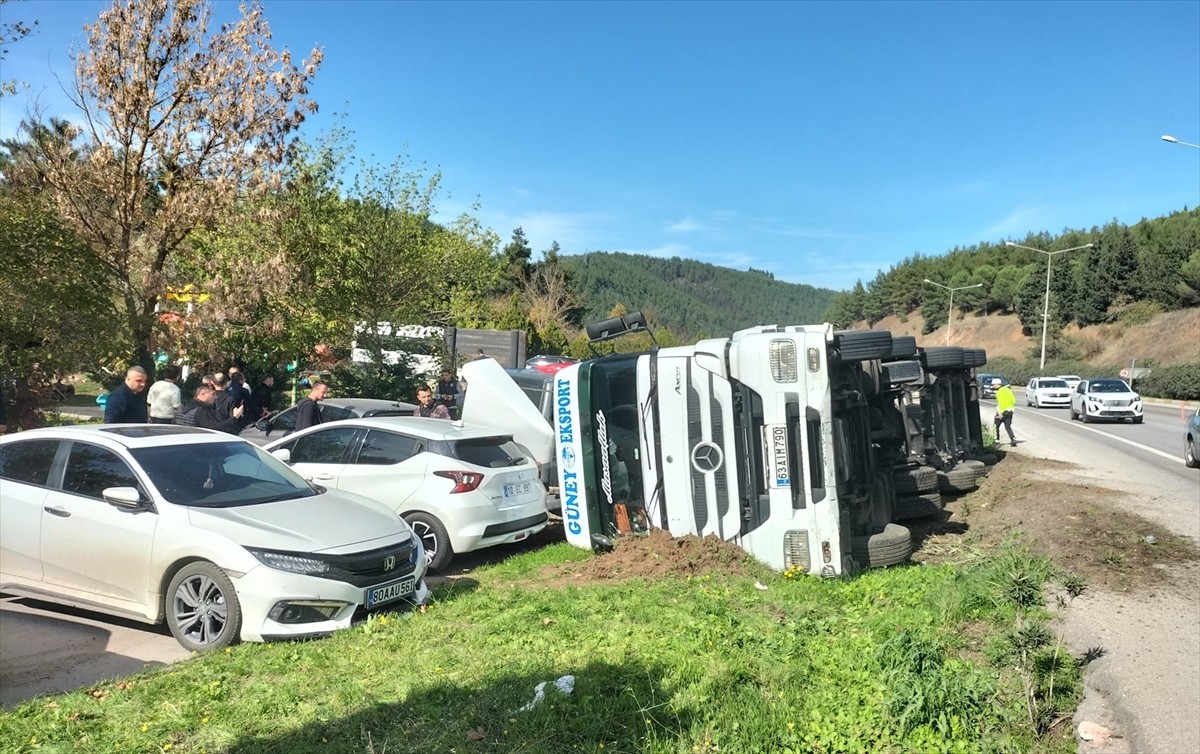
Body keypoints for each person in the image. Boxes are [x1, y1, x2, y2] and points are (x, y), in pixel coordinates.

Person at [994, 380, 1017, 447]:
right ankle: (1013, 439)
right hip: (1010, 410)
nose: (993, 386)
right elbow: (1014, 401)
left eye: (994, 384)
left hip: (1003, 411)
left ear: (998, 385)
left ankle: (996, 441)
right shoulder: (1009, 390)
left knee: (995, 426)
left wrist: (1000, 413)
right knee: (1008, 426)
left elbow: (1000, 403)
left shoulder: (999, 392)